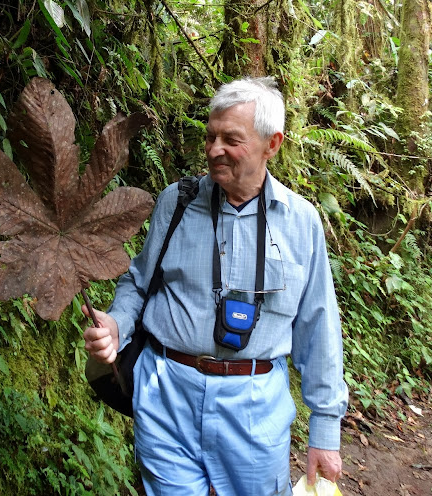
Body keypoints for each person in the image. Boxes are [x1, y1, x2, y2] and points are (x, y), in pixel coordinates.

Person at [83, 77, 348, 496]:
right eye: (210, 136)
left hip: (255, 409)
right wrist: (117, 324)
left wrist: (325, 431)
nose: (213, 150)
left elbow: (319, 329)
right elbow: (139, 280)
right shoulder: (176, 201)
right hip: (167, 395)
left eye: (231, 139)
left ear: (272, 144)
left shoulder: (301, 222)